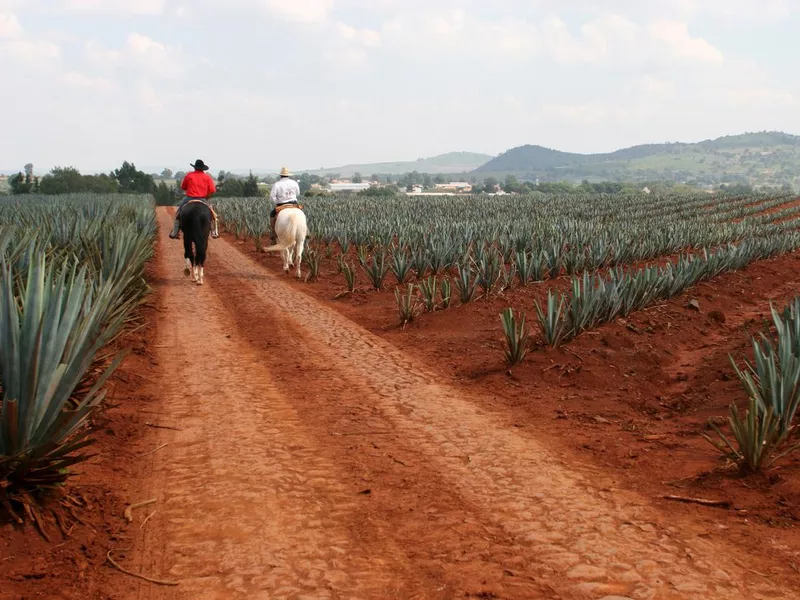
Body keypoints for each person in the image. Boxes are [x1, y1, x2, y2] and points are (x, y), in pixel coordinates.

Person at [169, 159, 219, 240]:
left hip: (189, 198)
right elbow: (212, 190)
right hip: (203, 199)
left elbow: (183, 187)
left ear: (195, 167)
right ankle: (214, 231)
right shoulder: (207, 177)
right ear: (203, 168)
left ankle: (175, 231)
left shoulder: (189, 175)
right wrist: (207, 197)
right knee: (212, 214)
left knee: (178, 213)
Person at [269, 167, 301, 242]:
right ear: (288, 175)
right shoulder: (294, 183)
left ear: (280, 175)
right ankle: (306, 231)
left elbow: (272, 196)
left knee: (272, 214)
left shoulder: (277, 184)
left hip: (281, 204)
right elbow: (298, 193)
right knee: (301, 214)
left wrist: (277, 202)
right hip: (293, 204)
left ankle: (273, 232)